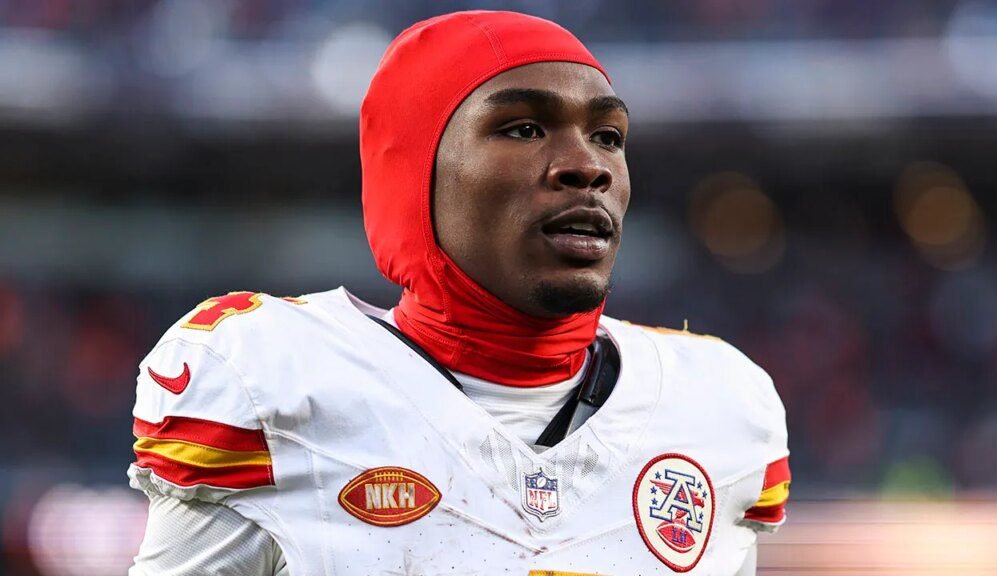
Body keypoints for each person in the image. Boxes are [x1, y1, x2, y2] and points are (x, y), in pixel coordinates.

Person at [128, 10, 789, 575]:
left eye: (607, 137)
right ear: (414, 172)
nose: (587, 166)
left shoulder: (720, 406)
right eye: (524, 128)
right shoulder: (267, 382)